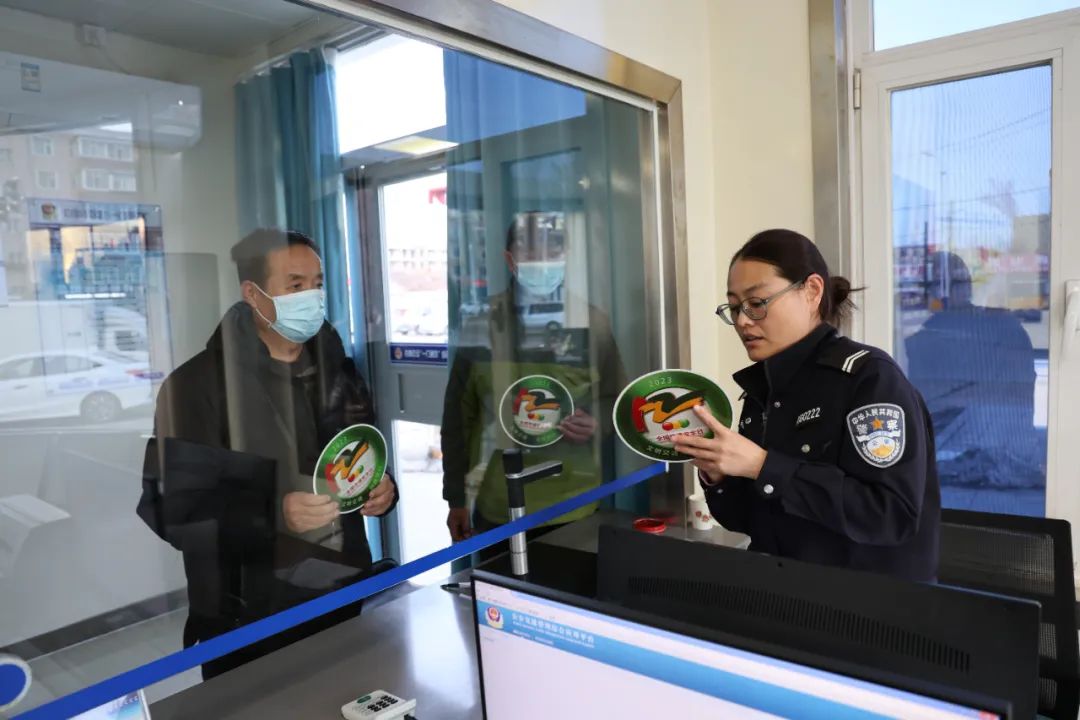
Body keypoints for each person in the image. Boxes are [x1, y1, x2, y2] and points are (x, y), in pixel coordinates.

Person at [138, 228, 397, 678]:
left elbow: (358, 454)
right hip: (249, 617)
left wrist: (383, 490)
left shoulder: (338, 372)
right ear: (253, 294)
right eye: (295, 285)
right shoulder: (196, 386)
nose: (312, 296)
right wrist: (273, 513)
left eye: (317, 284)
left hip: (343, 591)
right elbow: (170, 507)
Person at [675, 229, 940, 582]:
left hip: (865, 602)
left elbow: (890, 515)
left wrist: (762, 465)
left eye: (757, 303)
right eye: (735, 307)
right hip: (783, 592)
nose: (742, 321)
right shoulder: (763, 388)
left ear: (812, 291)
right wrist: (718, 474)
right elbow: (748, 520)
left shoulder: (870, 379)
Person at [442, 212, 626, 560]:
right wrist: (456, 498)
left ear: (566, 256)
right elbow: (458, 418)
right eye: (529, 251)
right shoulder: (482, 325)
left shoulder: (590, 322)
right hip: (498, 506)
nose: (541, 261)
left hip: (573, 504)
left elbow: (617, 398)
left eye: (552, 250)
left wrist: (597, 421)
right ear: (509, 259)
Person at [904, 251, 1043, 508]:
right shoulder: (921, 342)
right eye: (938, 285)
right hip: (957, 473)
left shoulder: (1005, 328)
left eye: (955, 283)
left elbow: (1017, 395)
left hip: (1005, 469)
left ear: (968, 285)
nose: (945, 293)